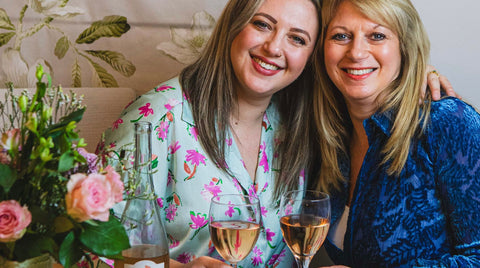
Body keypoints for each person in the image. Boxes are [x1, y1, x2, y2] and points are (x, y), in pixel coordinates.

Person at [99, 0, 454, 267]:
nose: (274, 48)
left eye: (297, 39)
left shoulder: (306, 121)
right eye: (263, 25)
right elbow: (87, 248)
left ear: (310, 57)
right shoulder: (156, 117)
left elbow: (359, 68)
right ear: (233, 26)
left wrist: (413, 73)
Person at [311, 0, 480, 267]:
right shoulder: (324, 134)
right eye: (341, 36)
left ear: (405, 48)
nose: (356, 52)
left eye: (377, 36)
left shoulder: (447, 121)